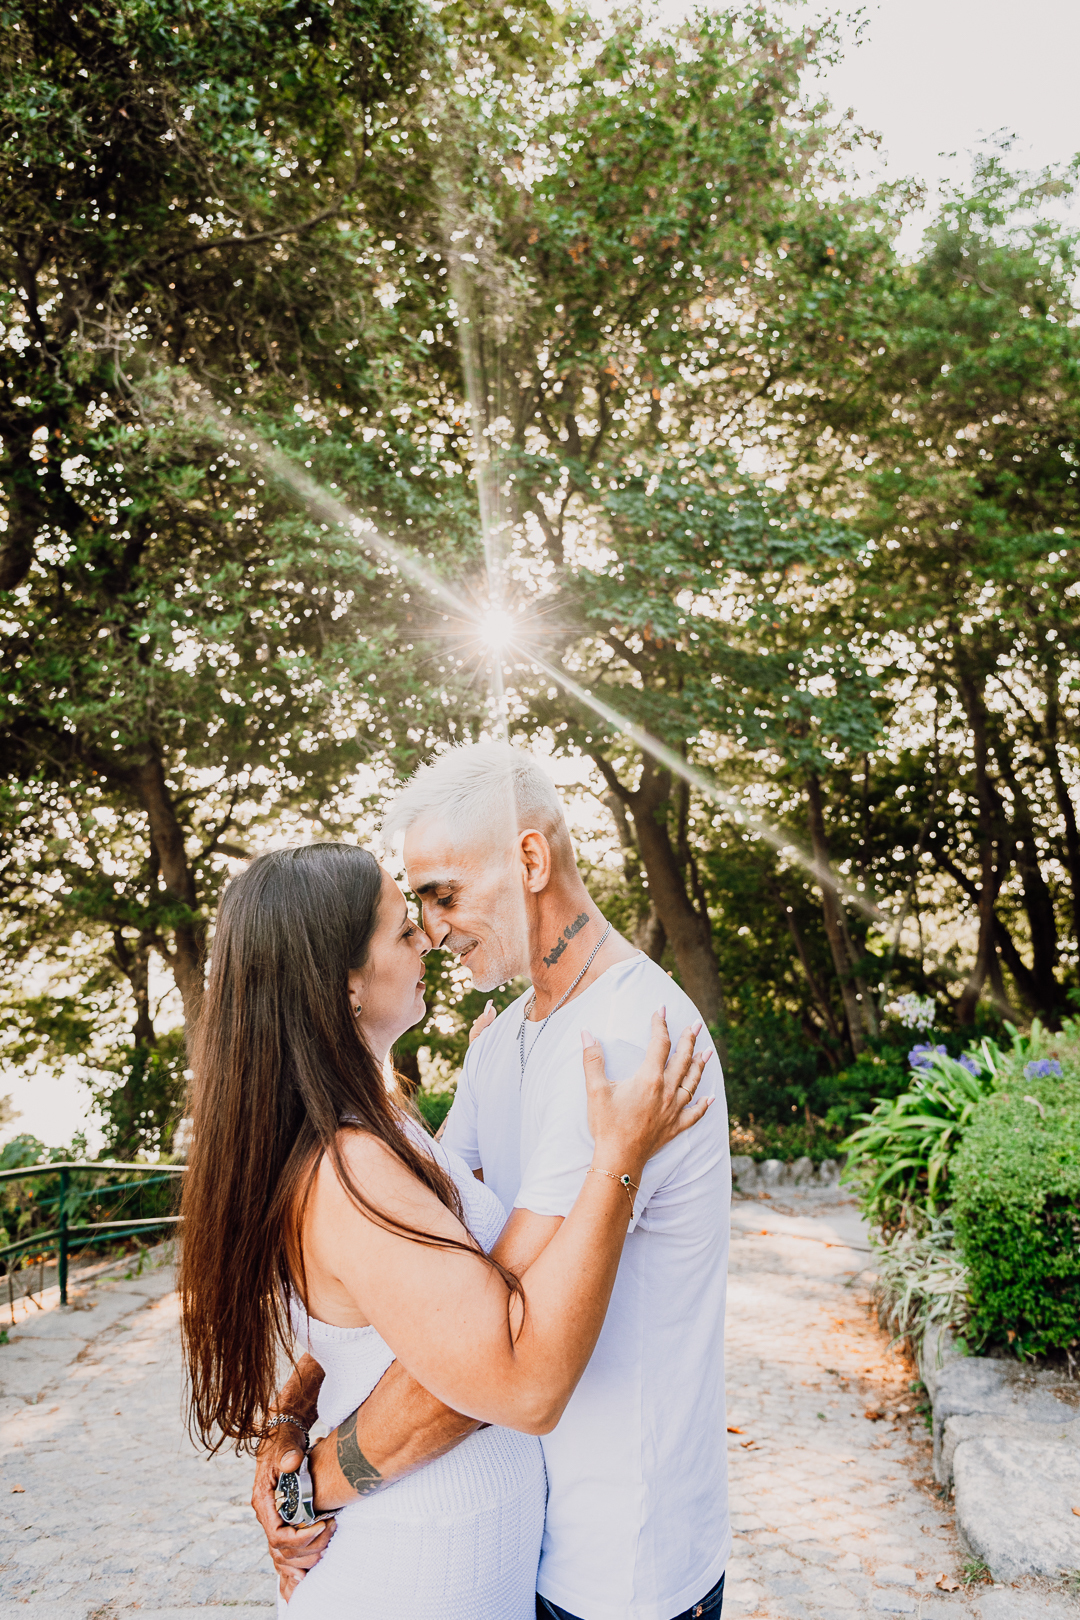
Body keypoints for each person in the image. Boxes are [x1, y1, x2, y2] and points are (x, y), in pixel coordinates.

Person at [254, 745, 732, 1620]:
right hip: (530, 1553)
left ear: (531, 861)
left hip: (614, 1560)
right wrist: (292, 1409)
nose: (431, 929)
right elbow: (407, 1266)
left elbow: (489, 1353)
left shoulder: (626, 1038)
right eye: (417, 905)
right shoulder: (509, 1035)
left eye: (444, 895)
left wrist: (309, 1483)